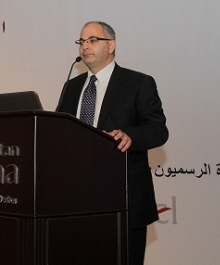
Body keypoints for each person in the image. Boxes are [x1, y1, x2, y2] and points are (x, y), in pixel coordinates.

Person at [56, 21, 169, 265]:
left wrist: (131, 135)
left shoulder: (137, 83)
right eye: (82, 42)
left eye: (93, 40)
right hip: (76, 201)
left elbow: (158, 130)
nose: (85, 46)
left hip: (123, 200)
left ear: (111, 45)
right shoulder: (71, 87)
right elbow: (59, 132)